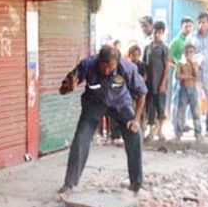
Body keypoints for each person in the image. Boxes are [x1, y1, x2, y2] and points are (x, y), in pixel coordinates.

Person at [59, 46, 147, 194]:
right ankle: (69, 185)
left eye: (110, 67)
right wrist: (69, 87)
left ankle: (136, 183)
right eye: (103, 66)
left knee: (135, 135)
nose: (106, 70)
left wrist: (136, 120)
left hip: (120, 104)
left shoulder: (127, 68)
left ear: (117, 64)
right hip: (94, 104)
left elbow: (142, 93)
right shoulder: (87, 65)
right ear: (98, 61)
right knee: (81, 139)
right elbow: (62, 89)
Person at [144, 22, 170, 141]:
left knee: (160, 107)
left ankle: (160, 131)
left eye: (159, 33)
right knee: (150, 107)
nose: (156, 35)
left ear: (162, 34)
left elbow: (167, 67)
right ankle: (150, 132)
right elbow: (144, 65)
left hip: (160, 83)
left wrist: (163, 83)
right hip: (149, 83)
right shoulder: (147, 47)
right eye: (155, 32)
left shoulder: (164, 48)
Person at [169, 17, 195, 125]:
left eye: (190, 26)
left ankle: (182, 123)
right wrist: (177, 67)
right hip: (179, 75)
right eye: (186, 26)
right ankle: (175, 123)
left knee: (185, 100)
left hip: (189, 76)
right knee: (176, 99)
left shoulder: (191, 40)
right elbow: (169, 58)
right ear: (181, 27)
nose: (188, 29)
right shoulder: (176, 41)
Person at [175, 43, 203, 141]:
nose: (189, 54)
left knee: (195, 112)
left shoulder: (195, 63)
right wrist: (188, 77)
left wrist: (191, 63)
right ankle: (178, 133)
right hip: (184, 88)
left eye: (191, 52)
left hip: (192, 88)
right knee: (181, 111)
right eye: (187, 52)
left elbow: (196, 75)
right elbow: (177, 76)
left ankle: (198, 133)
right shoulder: (180, 63)